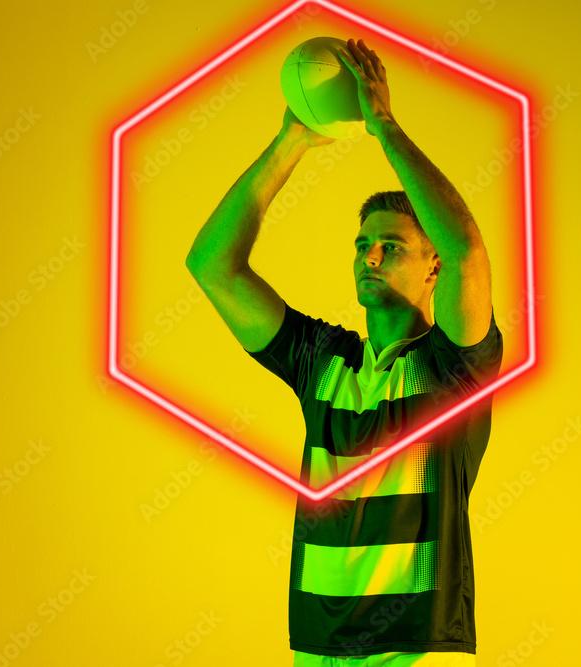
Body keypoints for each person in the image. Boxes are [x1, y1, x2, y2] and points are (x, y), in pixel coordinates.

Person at [185, 37, 502, 667]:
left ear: (432, 265)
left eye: (392, 245)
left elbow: (467, 247)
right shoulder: (323, 360)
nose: (371, 256)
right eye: (363, 245)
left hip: (413, 647)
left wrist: (383, 125)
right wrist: (292, 142)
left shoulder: (450, 368)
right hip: (317, 646)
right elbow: (211, 265)